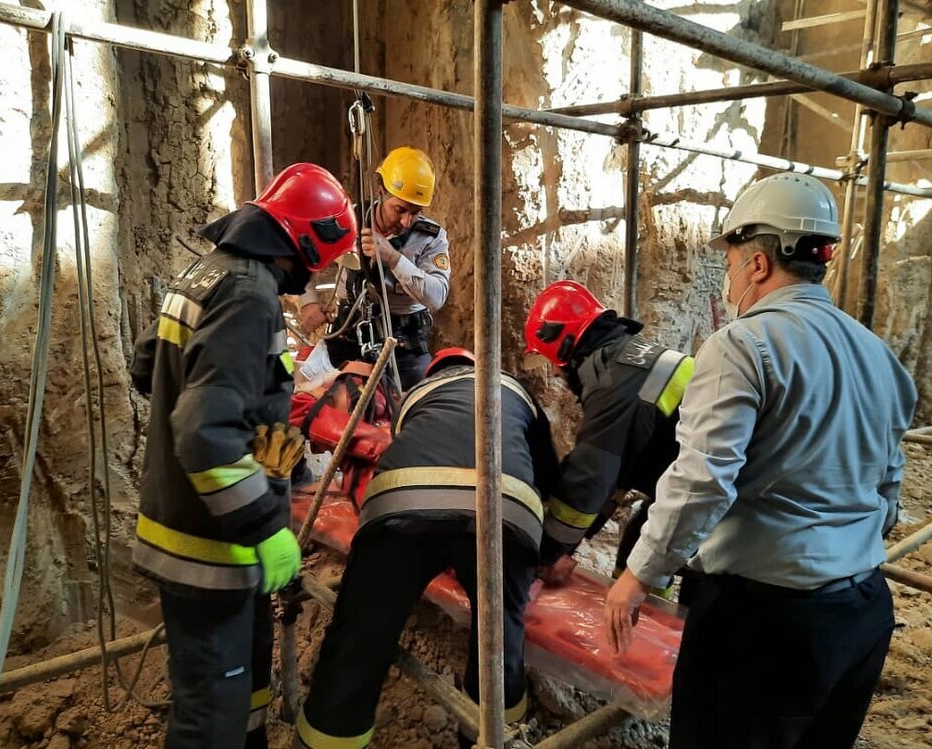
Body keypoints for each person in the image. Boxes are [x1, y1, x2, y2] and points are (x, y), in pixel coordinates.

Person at [604, 173, 918, 749]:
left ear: (757, 264)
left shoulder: (742, 345)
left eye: (728, 263)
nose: (726, 279)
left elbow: (702, 480)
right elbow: (889, 484)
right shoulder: (877, 353)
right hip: (861, 612)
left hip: (766, 624)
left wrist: (637, 575)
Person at [130, 163, 358, 749]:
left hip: (206, 534)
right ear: (309, 242)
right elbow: (205, 432)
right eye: (325, 263)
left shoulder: (208, 272)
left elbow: (148, 367)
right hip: (210, 548)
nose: (319, 278)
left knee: (246, 682)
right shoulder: (249, 295)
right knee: (213, 716)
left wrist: (263, 426)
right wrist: (263, 525)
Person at [293, 348, 560, 749]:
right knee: (501, 640)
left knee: (359, 637)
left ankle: (329, 738)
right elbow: (548, 476)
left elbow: (400, 451)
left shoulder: (417, 396)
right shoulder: (515, 391)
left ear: (436, 370)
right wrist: (550, 552)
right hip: (504, 509)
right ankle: (488, 737)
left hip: (404, 504)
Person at [523, 280, 694, 583]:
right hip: (715, 489)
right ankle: (646, 621)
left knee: (647, 558)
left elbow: (590, 477)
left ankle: (649, 624)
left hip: (722, 506)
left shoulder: (613, 385)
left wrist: (548, 555)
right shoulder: (632, 359)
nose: (552, 372)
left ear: (563, 346)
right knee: (640, 543)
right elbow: (619, 471)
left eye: (549, 360)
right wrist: (569, 547)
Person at [298, 146, 451, 388]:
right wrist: (308, 302)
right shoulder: (347, 220)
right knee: (303, 390)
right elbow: (302, 252)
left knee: (414, 406)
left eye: (415, 212)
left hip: (404, 345)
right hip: (347, 334)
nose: (406, 221)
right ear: (381, 191)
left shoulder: (430, 237)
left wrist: (393, 258)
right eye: (399, 209)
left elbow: (437, 297)